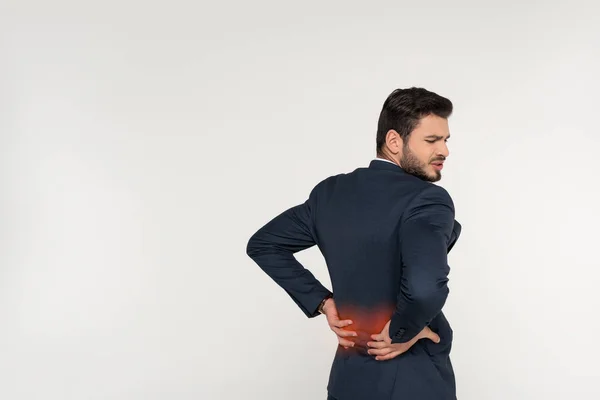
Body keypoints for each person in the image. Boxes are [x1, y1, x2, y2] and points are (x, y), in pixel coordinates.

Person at [246, 87, 462, 400]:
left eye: (445, 140)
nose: (444, 150)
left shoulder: (330, 194)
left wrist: (322, 302)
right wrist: (403, 332)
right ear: (393, 142)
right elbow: (425, 286)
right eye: (432, 141)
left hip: (347, 383)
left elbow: (264, 244)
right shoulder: (427, 199)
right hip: (413, 384)